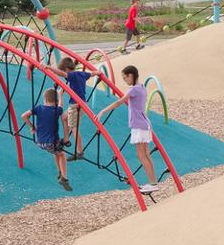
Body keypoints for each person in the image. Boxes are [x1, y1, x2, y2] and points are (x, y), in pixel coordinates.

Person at [95, 64, 160, 194]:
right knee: (146, 154)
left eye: (125, 78)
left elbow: (119, 102)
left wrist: (103, 111)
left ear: (131, 76)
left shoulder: (133, 90)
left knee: (141, 155)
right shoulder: (141, 88)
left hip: (139, 126)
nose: (125, 80)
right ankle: (153, 182)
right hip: (145, 124)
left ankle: (153, 183)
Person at [21, 87, 72, 190]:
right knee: (62, 154)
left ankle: (59, 172)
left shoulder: (39, 108)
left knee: (56, 152)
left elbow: (24, 116)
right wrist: (61, 94)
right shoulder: (56, 110)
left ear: (45, 99)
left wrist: (32, 127)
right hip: (51, 143)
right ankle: (64, 177)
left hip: (40, 142)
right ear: (56, 101)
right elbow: (61, 106)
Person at [59, 55, 93, 160]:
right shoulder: (81, 74)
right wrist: (99, 73)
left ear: (67, 70)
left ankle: (79, 152)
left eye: (64, 73)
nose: (64, 76)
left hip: (76, 105)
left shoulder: (72, 75)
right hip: (80, 104)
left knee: (74, 128)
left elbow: (59, 73)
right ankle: (66, 140)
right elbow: (92, 73)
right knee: (64, 117)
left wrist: (48, 68)